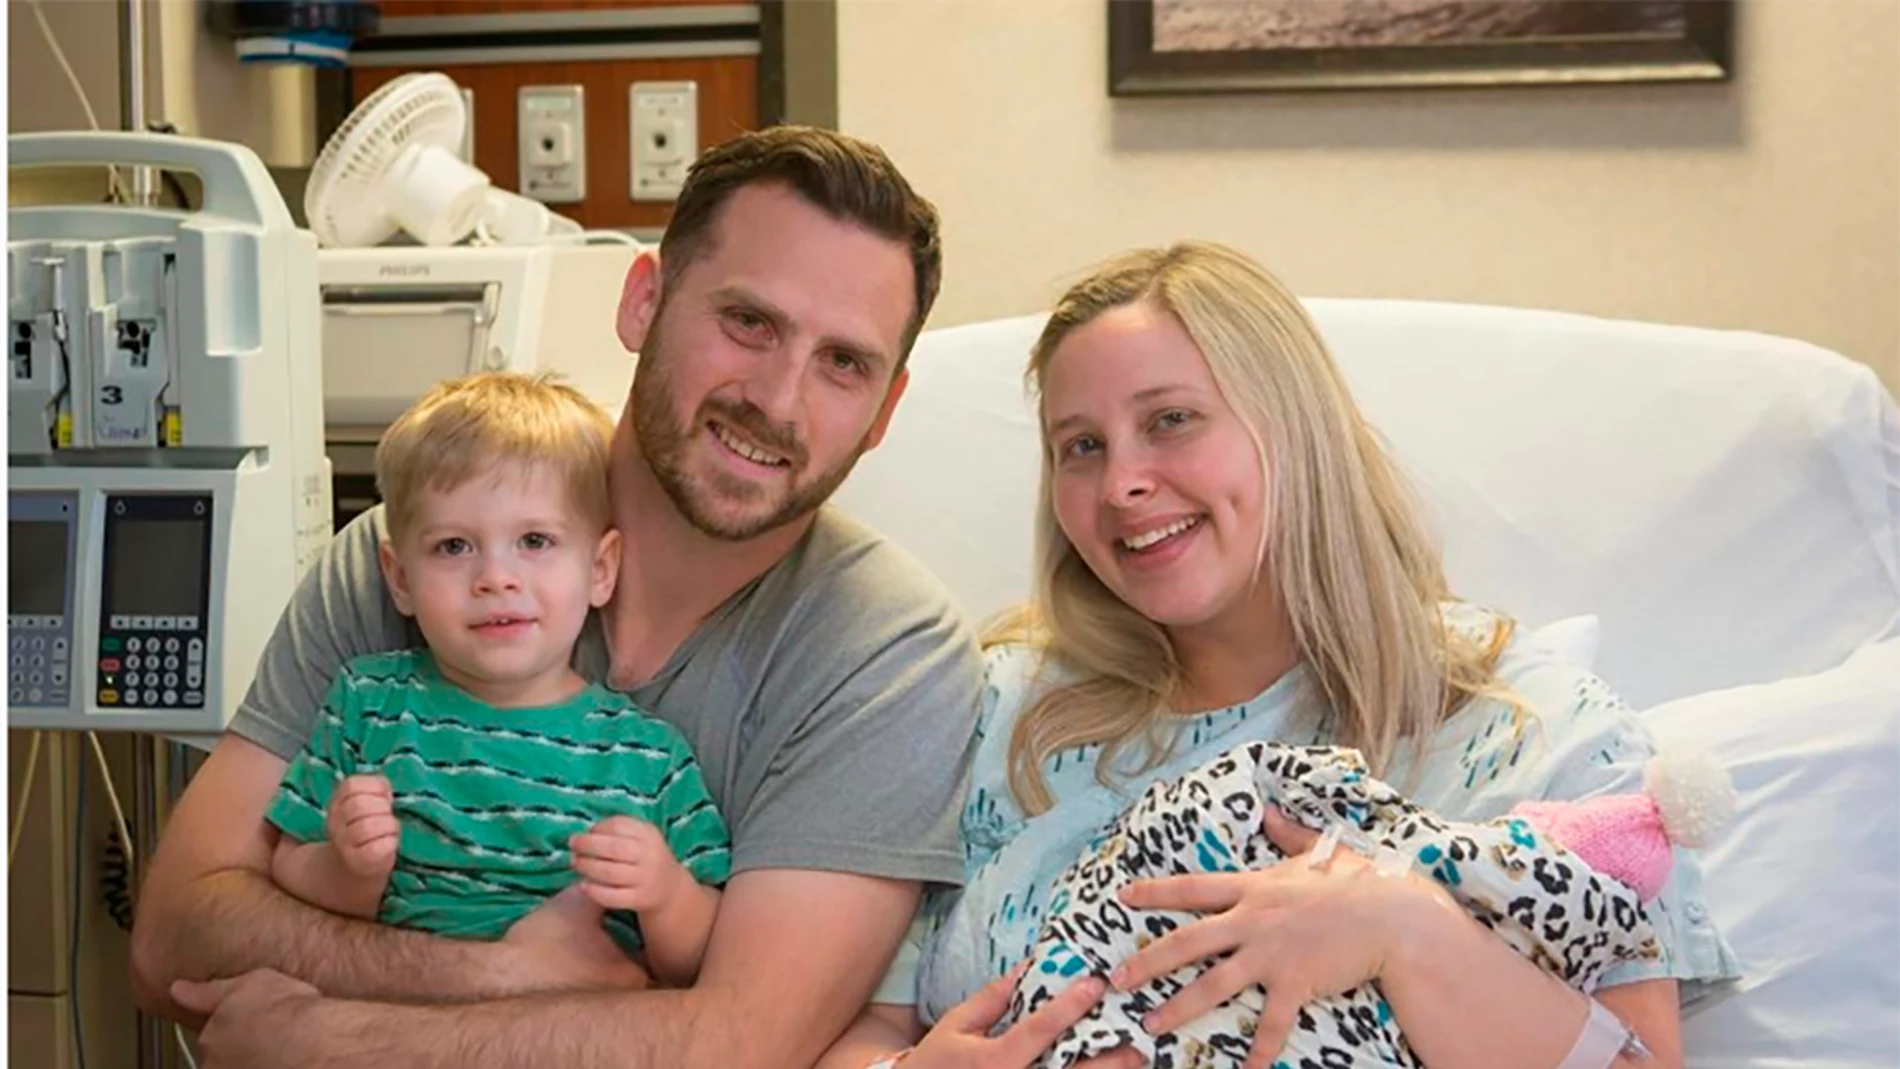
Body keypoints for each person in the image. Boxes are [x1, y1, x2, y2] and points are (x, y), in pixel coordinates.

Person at [128, 125, 991, 1069]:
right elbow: (174, 934)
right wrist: (498, 976)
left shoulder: (885, 658)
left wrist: (336, 1032)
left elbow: (739, 1044)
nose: (779, 401)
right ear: (644, 301)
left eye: (844, 363)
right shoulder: (408, 564)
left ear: (886, 412)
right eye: (750, 321)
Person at [829, 241, 1738, 1069]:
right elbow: (856, 1028)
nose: (1122, 484)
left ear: (1294, 430)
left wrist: (1401, 928)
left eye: (1173, 419)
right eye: (1081, 447)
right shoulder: (999, 712)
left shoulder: (1533, 735)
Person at [266, 372, 731, 988]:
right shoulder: (367, 704)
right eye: (454, 546)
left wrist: (667, 896)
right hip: (389, 1018)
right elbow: (287, 864)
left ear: (600, 569)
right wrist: (348, 871)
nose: (495, 577)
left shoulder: (649, 757)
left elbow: (699, 963)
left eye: (535, 540)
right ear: (399, 578)